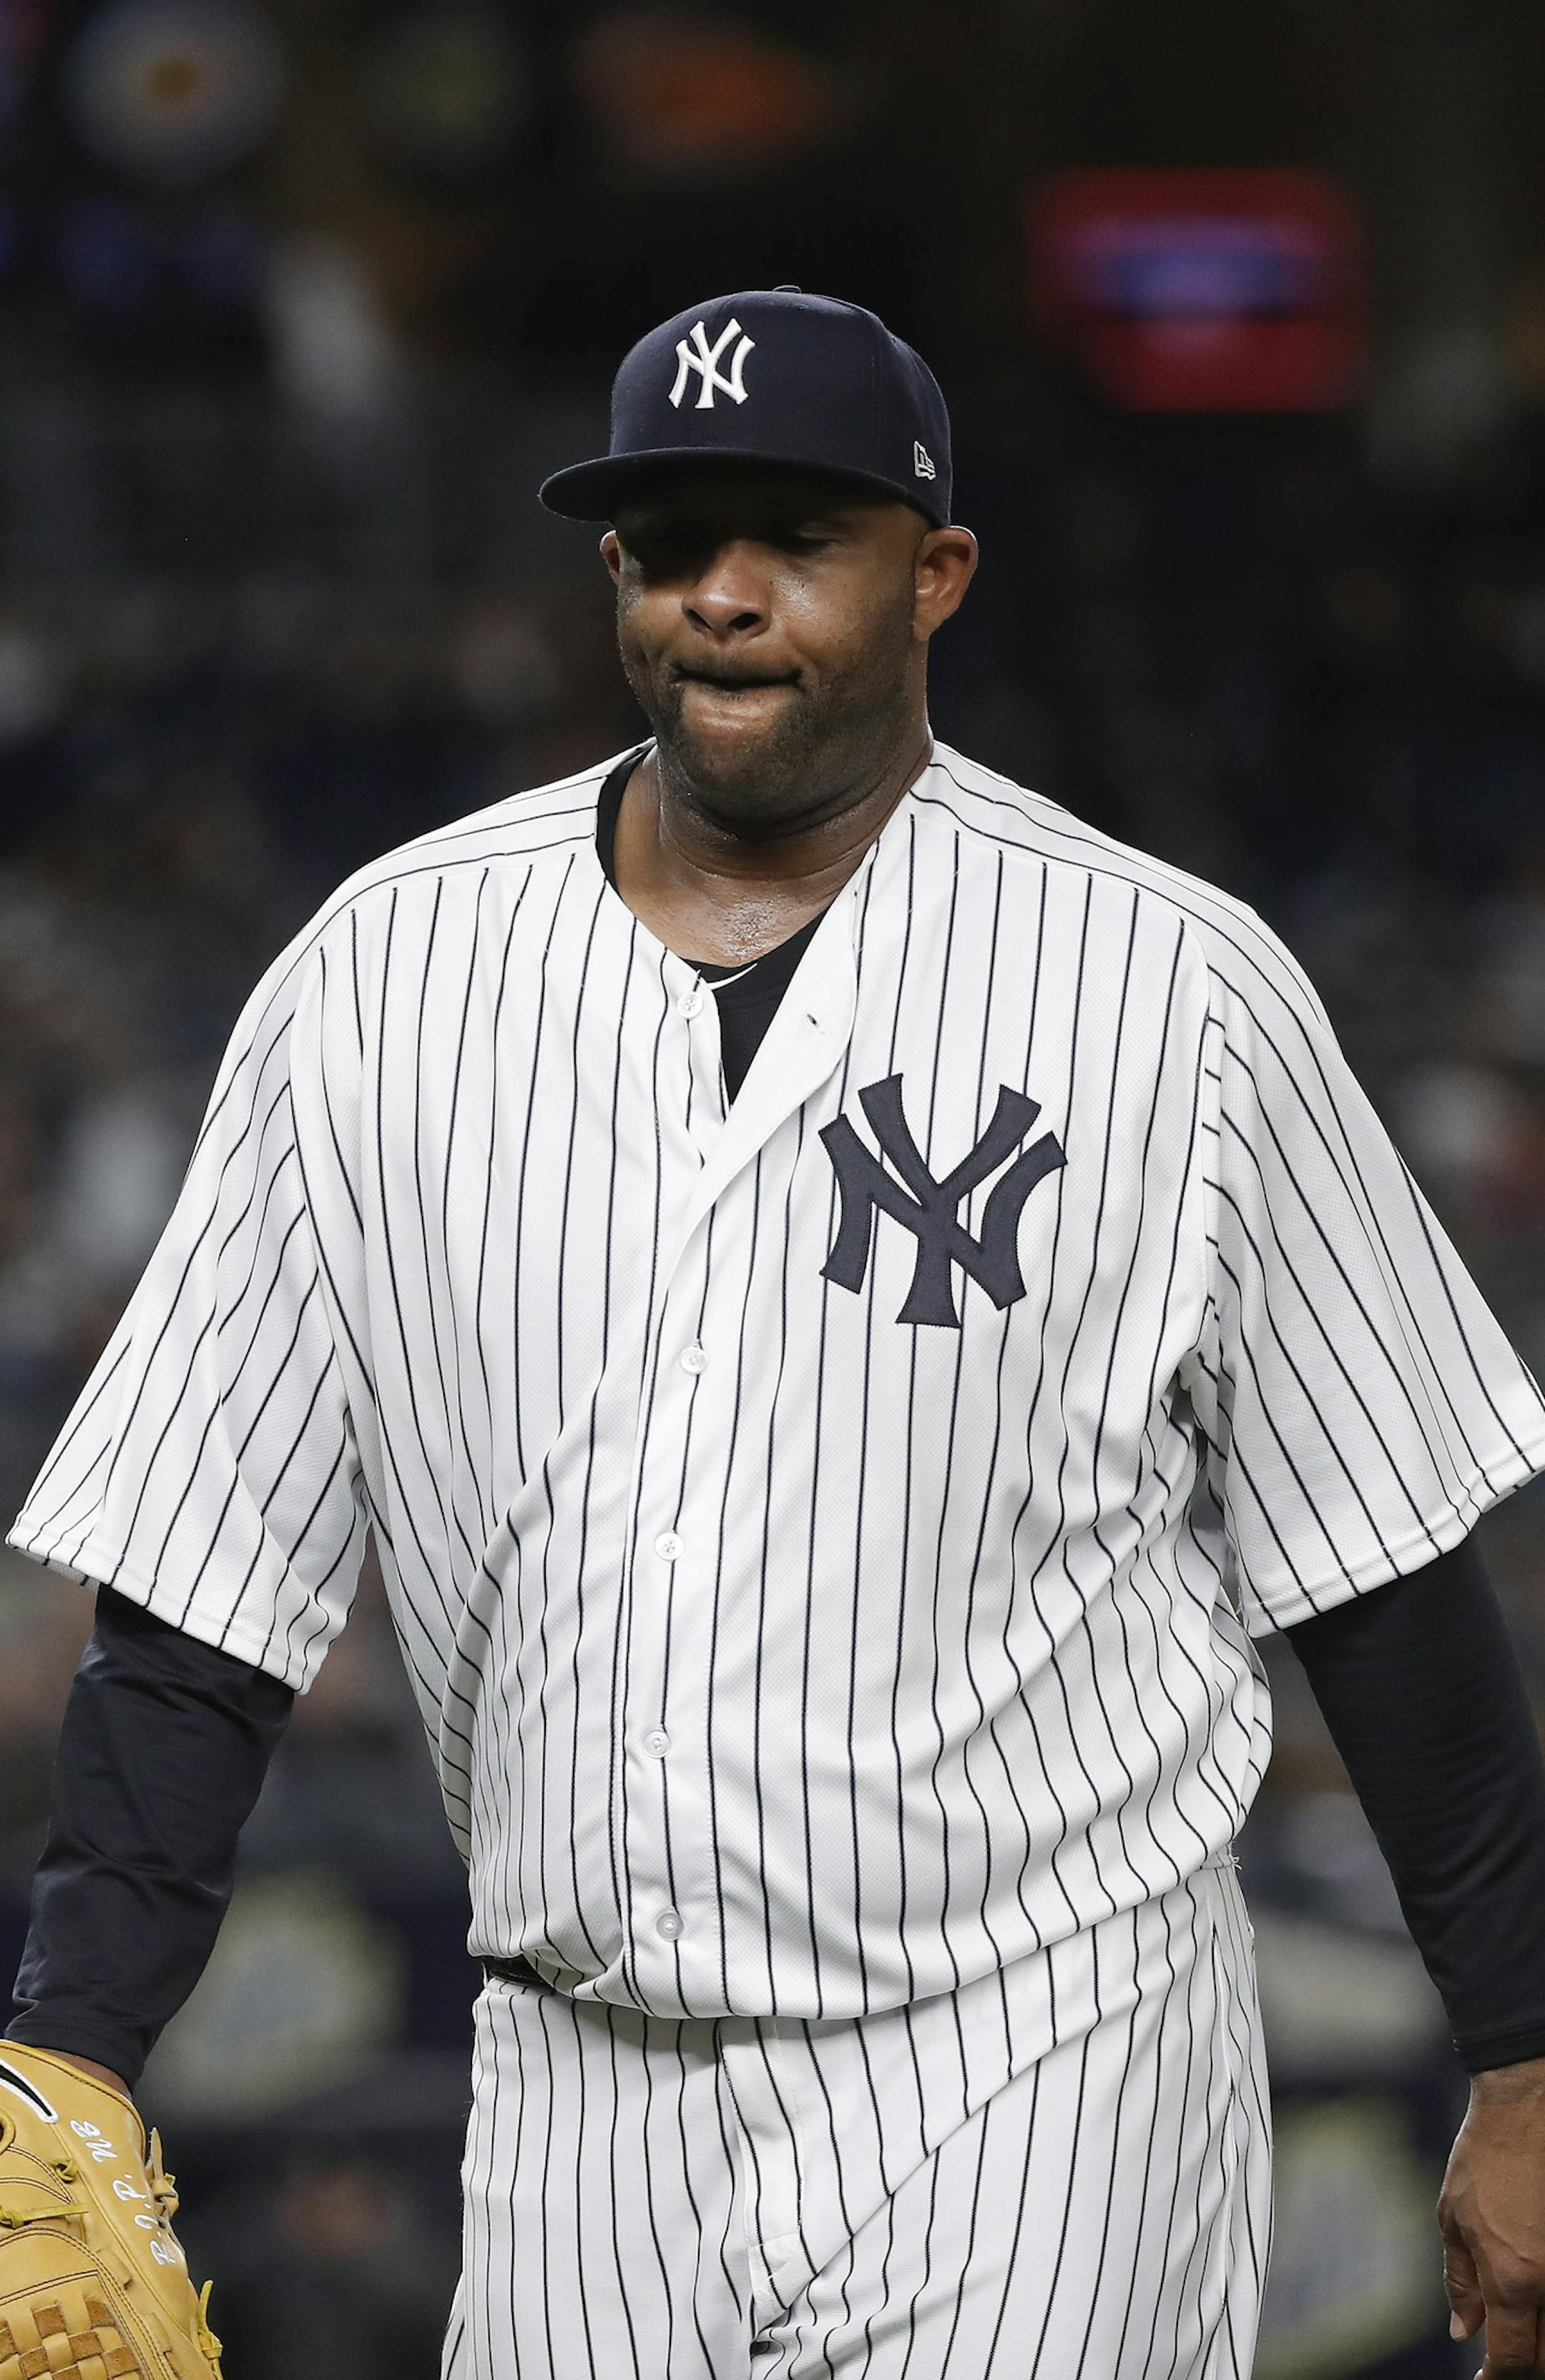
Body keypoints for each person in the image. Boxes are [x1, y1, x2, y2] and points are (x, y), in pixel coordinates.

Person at [8, 285, 1545, 2379]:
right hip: (572, 2091)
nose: (723, 598)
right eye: (670, 541)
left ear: (936, 576)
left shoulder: (1171, 989)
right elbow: (197, 1589)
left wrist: (1529, 2067)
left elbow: (1384, 1574)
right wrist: (68, 2054)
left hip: (1037, 2055)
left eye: (796, 538)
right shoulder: (378, 979)